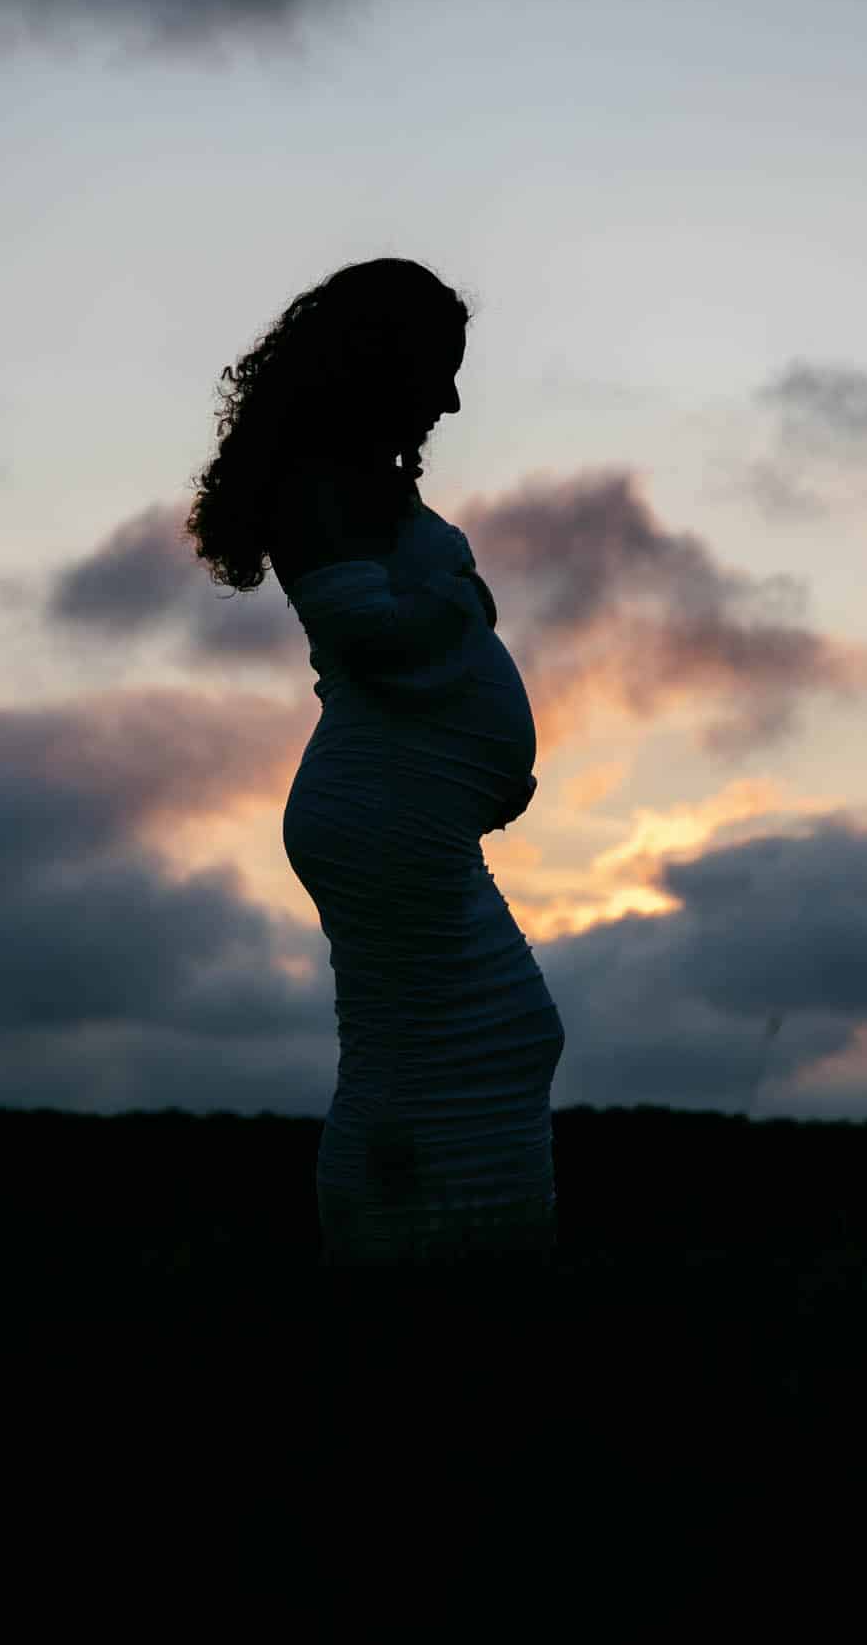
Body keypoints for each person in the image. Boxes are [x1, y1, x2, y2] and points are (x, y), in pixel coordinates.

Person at [185, 257, 562, 1280]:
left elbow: (386, 666)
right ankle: (403, 1266)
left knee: (458, 1036)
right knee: (444, 1041)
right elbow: (372, 639)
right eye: (439, 369)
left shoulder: (354, 485)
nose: (448, 398)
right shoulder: (319, 486)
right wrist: (467, 594)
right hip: (379, 802)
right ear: (380, 366)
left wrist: (468, 766)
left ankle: (437, 1257)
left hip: (404, 796)